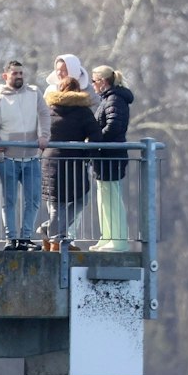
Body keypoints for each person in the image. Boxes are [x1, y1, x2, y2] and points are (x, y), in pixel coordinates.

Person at [0, 59, 46, 250]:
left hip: (32, 158)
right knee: (9, 200)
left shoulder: (35, 94)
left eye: (21, 73)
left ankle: (25, 237)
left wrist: (44, 135)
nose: (19, 76)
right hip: (8, 159)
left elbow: (44, 115)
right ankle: (11, 239)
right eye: (15, 73)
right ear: (5, 76)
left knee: (34, 199)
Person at [40, 71, 98, 249]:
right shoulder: (83, 111)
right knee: (81, 200)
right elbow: (96, 135)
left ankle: (51, 234)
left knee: (56, 204)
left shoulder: (48, 110)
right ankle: (56, 240)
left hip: (50, 161)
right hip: (75, 161)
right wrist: (87, 153)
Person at [89, 65, 133, 251]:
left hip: (111, 156)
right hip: (104, 157)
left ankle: (119, 239)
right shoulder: (108, 99)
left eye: (94, 81)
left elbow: (114, 127)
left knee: (112, 197)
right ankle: (107, 236)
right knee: (104, 198)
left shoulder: (114, 99)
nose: (93, 85)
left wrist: (96, 139)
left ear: (103, 81)